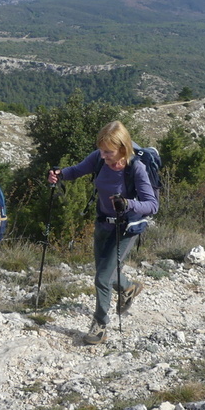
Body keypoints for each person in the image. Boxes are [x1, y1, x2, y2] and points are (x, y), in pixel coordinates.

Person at [48, 121, 158, 344]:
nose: (104, 156)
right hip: (103, 223)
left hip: (126, 228)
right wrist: (59, 174)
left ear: (122, 148)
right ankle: (128, 287)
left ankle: (100, 324)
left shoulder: (135, 168)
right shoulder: (99, 158)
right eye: (101, 150)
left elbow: (152, 205)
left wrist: (127, 204)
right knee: (105, 272)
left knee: (102, 278)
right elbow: (78, 170)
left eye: (108, 152)